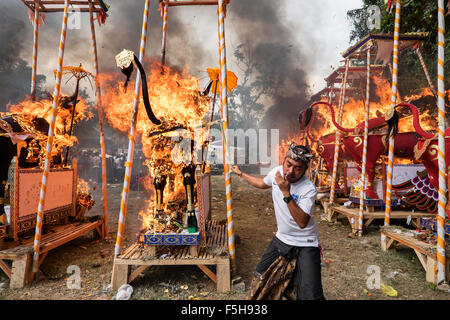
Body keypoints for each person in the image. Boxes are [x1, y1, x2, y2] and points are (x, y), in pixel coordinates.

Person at [231, 143, 325, 300]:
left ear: (305, 170)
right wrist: (241, 174)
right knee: (261, 277)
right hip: (282, 238)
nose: (290, 171)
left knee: (311, 294)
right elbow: (262, 183)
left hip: (306, 242)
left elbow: (302, 223)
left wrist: (286, 192)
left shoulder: (308, 189)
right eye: (289, 164)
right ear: (284, 160)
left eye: (298, 168)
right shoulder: (276, 174)